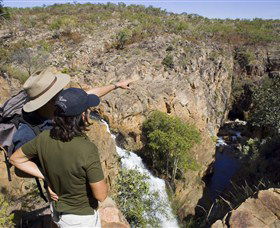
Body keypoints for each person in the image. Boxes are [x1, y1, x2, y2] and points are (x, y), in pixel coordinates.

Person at [10, 88, 108, 227]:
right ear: (83, 116)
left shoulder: (44, 137)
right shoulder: (87, 149)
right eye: (88, 110)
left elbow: (15, 159)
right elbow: (101, 195)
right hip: (81, 218)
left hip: (57, 211)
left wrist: (46, 176)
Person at [12, 66, 134, 152]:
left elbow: (86, 96)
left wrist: (116, 85)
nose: (62, 94)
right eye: (58, 92)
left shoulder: (58, 105)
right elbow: (18, 165)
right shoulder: (27, 132)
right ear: (48, 101)